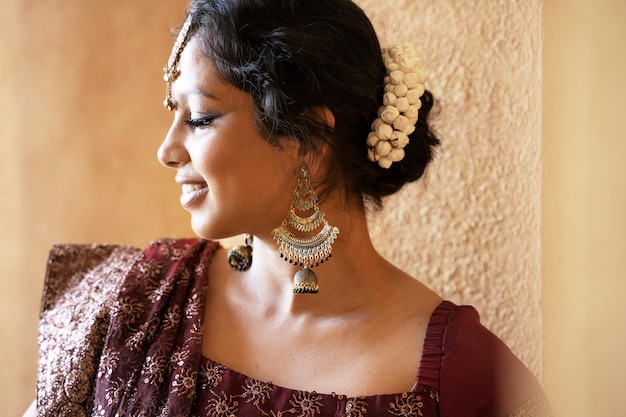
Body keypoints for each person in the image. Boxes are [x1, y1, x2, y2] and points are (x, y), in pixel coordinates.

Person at [27, 0, 553, 416]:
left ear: (308, 140)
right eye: (174, 113)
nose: (167, 151)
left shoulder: (466, 382)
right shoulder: (137, 305)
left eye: (202, 118)